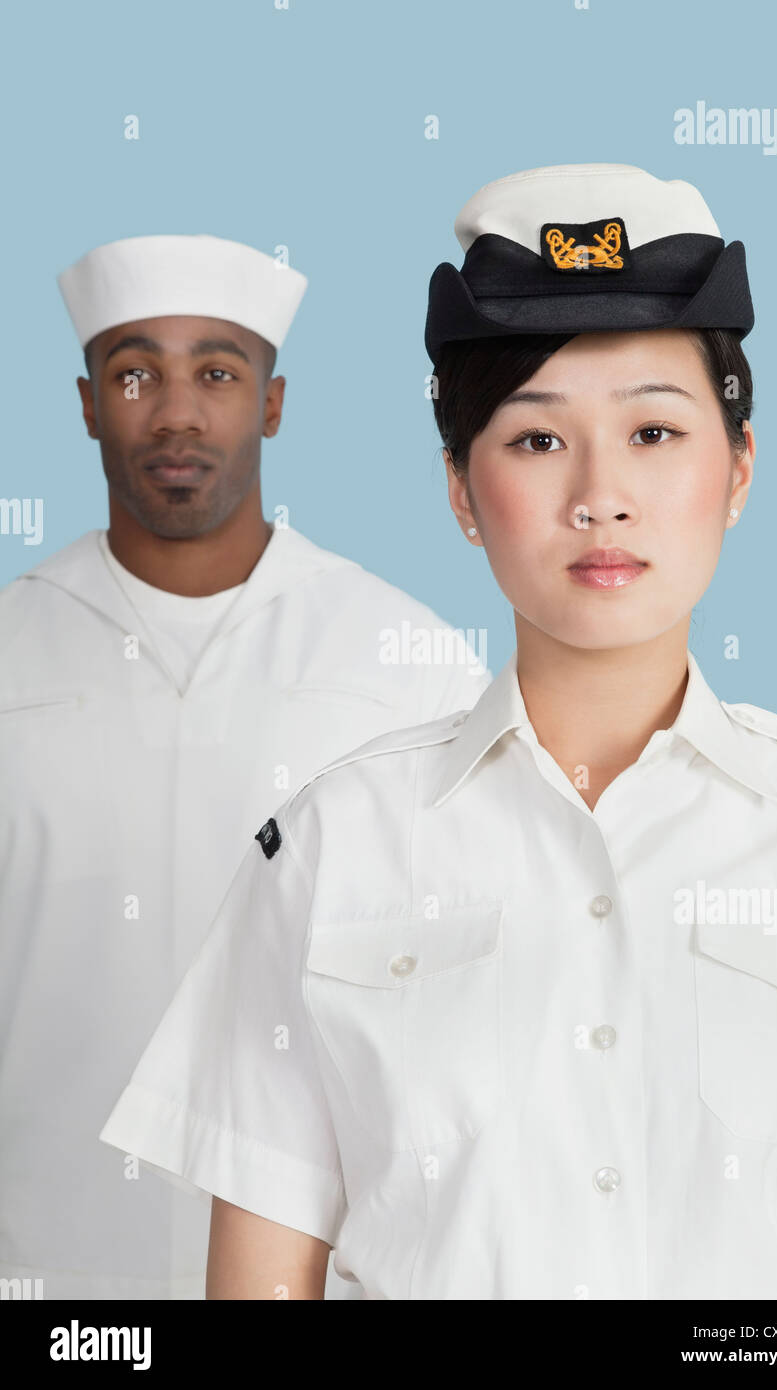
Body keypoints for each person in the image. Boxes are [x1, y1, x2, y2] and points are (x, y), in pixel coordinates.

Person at [98, 168, 777, 1300]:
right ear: (459, 489)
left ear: (737, 469)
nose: (600, 497)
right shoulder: (330, 848)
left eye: (653, 430)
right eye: (536, 441)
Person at [0, 232, 490, 1301]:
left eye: (217, 373)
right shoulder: (10, 647)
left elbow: (475, 1001)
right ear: (87, 403)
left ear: (271, 402)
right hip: (43, 1271)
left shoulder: (400, 659)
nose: (176, 411)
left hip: (328, 1272)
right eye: (136, 373)